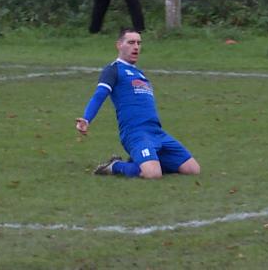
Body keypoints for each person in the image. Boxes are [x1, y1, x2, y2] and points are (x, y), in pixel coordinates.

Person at [75, 28, 200, 179]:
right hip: (135, 134)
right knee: (153, 174)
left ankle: (143, 161)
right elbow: (99, 95)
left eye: (139, 43)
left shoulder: (140, 74)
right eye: (131, 42)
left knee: (193, 169)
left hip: (156, 132)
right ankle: (115, 166)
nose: (136, 47)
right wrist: (86, 118)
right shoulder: (113, 70)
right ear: (119, 45)